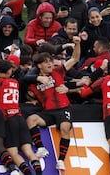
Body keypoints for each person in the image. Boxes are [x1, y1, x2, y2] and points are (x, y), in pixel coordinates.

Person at [25, 36, 80, 171]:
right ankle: (40, 148)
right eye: (46, 62)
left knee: (65, 128)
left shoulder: (58, 71)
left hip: (63, 108)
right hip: (47, 111)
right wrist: (31, 96)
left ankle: (61, 160)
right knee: (31, 119)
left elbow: (74, 59)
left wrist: (77, 44)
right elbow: (22, 81)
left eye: (51, 61)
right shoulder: (33, 81)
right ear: (39, 65)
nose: (50, 64)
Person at [0, 60, 42, 175]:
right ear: (10, 70)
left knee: (13, 152)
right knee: (28, 150)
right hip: (20, 118)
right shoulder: (15, 82)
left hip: (8, 119)